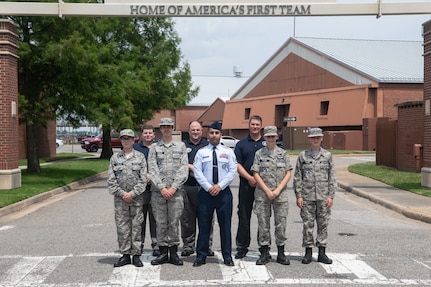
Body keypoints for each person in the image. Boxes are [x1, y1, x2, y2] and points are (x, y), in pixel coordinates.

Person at [192, 121, 238, 267]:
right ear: (208, 134)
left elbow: (232, 171)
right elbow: (197, 172)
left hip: (223, 194)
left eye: (216, 133)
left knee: (225, 226)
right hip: (206, 193)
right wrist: (208, 187)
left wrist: (219, 186)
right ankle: (201, 255)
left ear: (221, 135)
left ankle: (227, 256)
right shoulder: (202, 152)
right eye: (211, 133)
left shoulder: (228, 152)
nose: (214, 135)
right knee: (204, 226)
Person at [293, 127, 336, 265]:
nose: (316, 139)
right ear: (309, 139)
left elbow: (332, 177)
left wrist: (331, 196)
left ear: (322, 138)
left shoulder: (328, 156)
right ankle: (308, 252)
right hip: (307, 196)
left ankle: (322, 252)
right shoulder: (303, 156)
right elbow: (297, 177)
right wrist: (298, 195)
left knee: (323, 224)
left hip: (323, 196)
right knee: (308, 224)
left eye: (318, 137)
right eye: (313, 137)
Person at [148, 117, 188, 266]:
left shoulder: (181, 147)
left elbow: (183, 169)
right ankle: (163, 252)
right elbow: (152, 169)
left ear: (173, 128)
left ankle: (173, 252)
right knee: (160, 222)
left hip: (175, 192)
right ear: (160, 129)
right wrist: (162, 188)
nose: (166, 129)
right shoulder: (154, 147)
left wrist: (173, 188)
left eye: (169, 126)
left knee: (174, 222)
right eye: (163, 127)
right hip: (158, 192)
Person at [251, 126, 292, 265]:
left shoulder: (284, 154)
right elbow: (255, 173)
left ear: (277, 137)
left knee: (281, 224)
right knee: (263, 224)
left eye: (273, 136)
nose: (270, 138)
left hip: (280, 195)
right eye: (268, 136)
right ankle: (264, 252)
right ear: (264, 137)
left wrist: (278, 190)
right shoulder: (259, 154)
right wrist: (268, 191)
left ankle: (281, 253)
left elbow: (288, 173)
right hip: (263, 195)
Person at [107, 129, 147, 268]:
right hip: (120, 200)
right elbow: (111, 181)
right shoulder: (115, 158)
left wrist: (133, 194)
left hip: (136, 199)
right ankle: (125, 255)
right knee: (122, 228)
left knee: (136, 227)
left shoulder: (140, 157)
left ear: (133, 140)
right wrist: (123, 194)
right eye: (124, 139)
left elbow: (143, 180)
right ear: (120, 140)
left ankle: (136, 255)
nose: (126, 141)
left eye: (129, 138)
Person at [180, 121, 215, 257]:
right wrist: (192, 168)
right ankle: (188, 245)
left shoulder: (208, 145)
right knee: (187, 218)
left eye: (198, 130)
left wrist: (195, 170)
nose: (195, 132)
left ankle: (206, 245)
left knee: (206, 218)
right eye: (193, 130)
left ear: (202, 131)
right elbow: (179, 164)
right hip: (187, 186)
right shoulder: (182, 146)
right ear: (188, 131)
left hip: (204, 187)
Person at [234, 115, 265, 259]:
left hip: (263, 187)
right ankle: (242, 246)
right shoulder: (241, 144)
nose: (255, 127)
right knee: (244, 216)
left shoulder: (267, 143)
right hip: (246, 185)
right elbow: (237, 164)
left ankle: (264, 246)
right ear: (249, 126)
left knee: (263, 217)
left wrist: (259, 181)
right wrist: (250, 178)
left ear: (261, 126)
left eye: (257, 124)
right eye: (252, 124)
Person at [132, 124, 160, 257]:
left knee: (155, 219)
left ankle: (156, 245)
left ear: (154, 135)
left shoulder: (159, 148)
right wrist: (144, 177)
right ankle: (139, 245)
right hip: (140, 190)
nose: (148, 135)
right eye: (145, 133)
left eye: (150, 133)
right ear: (141, 135)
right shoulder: (135, 148)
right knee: (140, 219)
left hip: (156, 190)